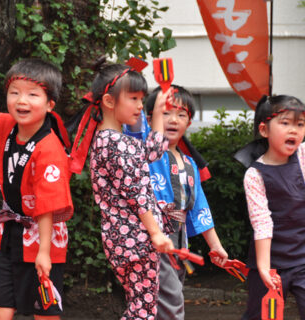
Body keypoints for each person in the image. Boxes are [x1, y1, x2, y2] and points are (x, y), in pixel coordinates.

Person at [0, 58, 74, 319]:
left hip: (43, 236)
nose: (22, 100)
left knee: (44, 310)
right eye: (15, 93)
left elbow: (47, 205)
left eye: (32, 94)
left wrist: (44, 252)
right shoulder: (10, 127)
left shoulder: (50, 148)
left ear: (50, 104)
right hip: (11, 233)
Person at [69, 62, 174, 319]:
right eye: (134, 98)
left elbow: (151, 152)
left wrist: (158, 112)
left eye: (142, 99)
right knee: (142, 310)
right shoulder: (116, 143)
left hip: (124, 240)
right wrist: (156, 233)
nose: (140, 105)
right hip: (136, 239)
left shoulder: (109, 140)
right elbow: (137, 194)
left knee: (140, 304)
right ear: (108, 100)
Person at [126, 85, 228, 319]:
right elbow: (134, 125)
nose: (173, 120)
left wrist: (215, 245)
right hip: (150, 237)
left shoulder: (190, 163)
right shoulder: (145, 150)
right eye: (166, 112)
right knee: (171, 301)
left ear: (189, 122)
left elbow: (200, 207)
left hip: (178, 239)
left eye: (181, 114)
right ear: (149, 118)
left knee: (159, 302)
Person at [240, 95, 305, 320]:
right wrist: (265, 268)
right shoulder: (254, 174)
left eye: (300, 124)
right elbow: (262, 222)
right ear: (264, 130)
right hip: (269, 262)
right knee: (262, 316)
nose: (294, 130)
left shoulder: (303, 157)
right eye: (285, 123)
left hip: (302, 259)